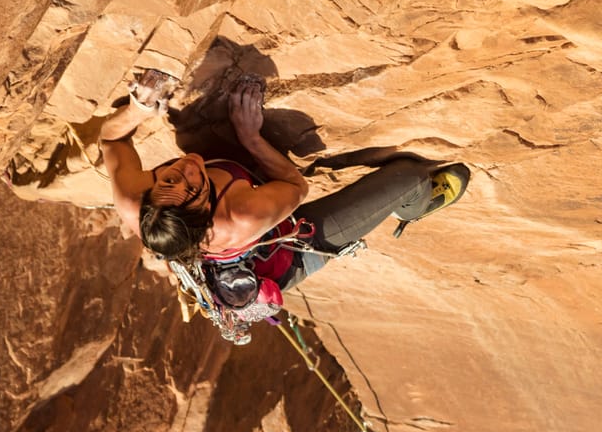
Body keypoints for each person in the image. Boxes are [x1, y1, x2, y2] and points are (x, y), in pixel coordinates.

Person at [97, 71, 469, 340]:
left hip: (238, 221)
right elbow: (295, 185)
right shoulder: (241, 217)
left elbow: (112, 143)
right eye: (193, 189)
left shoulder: (141, 202)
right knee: (409, 177)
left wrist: (139, 107)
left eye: (169, 179)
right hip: (289, 250)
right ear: (206, 214)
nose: (185, 169)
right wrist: (250, 136)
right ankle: (416, 206)